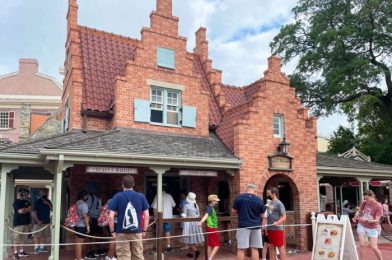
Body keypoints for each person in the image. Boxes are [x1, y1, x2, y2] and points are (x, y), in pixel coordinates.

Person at [108, 175, 150, 260]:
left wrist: (112, 231)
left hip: (121, 231)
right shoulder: (141, 196)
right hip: (137, 231)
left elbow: (110, 216)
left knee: (123, 256)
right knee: (138, 256)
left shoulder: (117, 196)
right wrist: (144, 230)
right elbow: (147, 216)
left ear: (122, 184)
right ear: (133, 184)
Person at [232, 184, 264, 260]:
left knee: (241, 249)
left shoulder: (239, 198)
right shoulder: (259, 200)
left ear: (246, 189)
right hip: (256, 226)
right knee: (255, 248)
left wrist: (241, 211)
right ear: (255, 190)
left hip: (243, 225)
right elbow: (262, 215)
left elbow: (233, 211)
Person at [353, 190, 384, 260]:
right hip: (362, 225)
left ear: (372, 196)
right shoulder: (365, 202)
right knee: (361, 244)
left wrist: (366, 220)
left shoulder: (379, 206)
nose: (366, 200)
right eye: (365, 198)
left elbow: (377, 220)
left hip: (373, 227)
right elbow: (360, 210)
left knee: (374, 247)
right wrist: (356, 215)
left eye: (367, 198)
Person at [151, 187, 176, 252]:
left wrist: (155, 217)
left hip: (160, 218)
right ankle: (168, 246)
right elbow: (173, 206)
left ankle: (159, 247)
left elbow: (154, 208)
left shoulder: (157, 196)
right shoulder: (169, 196)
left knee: (159, 232)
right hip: (168, 217)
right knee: (167, 232)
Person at [266, 187, 287, 260]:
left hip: (277, 229)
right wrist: (266, 228)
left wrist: (278, 222)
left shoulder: (279, 203)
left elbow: (284, 217)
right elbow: (268, 215)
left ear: (274, 193)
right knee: (271, 246)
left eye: (270, 193)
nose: (269, 194)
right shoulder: (270, 202)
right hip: (270, 228)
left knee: (280, 246)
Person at [182, 192, 204, 259]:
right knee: (192, 239)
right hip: (195, 223)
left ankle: (196, 251)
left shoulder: (186, 206)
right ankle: (191, 253)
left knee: (188, 240)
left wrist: (183, 216)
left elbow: (184, 215)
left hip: (189, 223)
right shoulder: (196, 205)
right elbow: (198, 215)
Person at [198, 194, 221, 260]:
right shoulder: (210, 207)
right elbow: (206, 215)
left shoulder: (211, 207)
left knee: (210, 245)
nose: (217, 202)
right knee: (217, 245)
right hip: (212, 228)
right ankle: (210, 258)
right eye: (216, 201)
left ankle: (209, 258)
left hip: (210, 228)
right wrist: (201, 222)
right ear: (212, 201)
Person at [13, 187, 32, 259]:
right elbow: (20, 211)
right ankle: (15, 253)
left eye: (24, 193)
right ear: (18, 193)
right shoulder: (16, 202)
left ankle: (21, 251)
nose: (23, 194)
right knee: (16, 239)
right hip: (18, 223)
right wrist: (26, 209)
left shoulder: (27, 201)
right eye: (21, 192)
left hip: (26, 223)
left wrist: (25, 209)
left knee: (23, 239)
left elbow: (30, 209)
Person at [31, 189, 52, 255]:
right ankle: (36, 248)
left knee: (44, 235)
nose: (44, 194)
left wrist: (48, 204)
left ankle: (42, 247)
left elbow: (52, 209)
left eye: (45, 193)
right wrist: (38, 221)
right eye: (42, 193)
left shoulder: (48, 201)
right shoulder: (37, 202)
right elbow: (34, 212)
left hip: (46, 221)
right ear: (40, 195)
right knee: (37, 236)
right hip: (38, 222)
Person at [85, 183, 102, 260]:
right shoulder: (89, 197)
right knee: (90, 236)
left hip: (96, 219)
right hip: (92, 218)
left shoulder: (94, 197)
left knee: (96, 235)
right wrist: (88, 218)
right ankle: (89, 252)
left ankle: (95, 250)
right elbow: (86, 208)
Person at [103, 190, 120, 260]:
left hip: (108, 222)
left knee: (112, 239)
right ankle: (111, 256)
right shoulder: (115, 201)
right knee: (113, 240)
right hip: (115, 222)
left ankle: (111, 255)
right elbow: (114, 213)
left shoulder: (109, 200)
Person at [75, 190, 90, 260]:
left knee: (78, 241)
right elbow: (85, 216)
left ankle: (77, 257)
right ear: (84, 196)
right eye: (86, 195)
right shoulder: (84, 204)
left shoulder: (77, 203)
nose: (87, 197)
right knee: (80, 242)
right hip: (82, 225)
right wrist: (88, 226)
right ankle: (79, 258)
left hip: (76, 224)